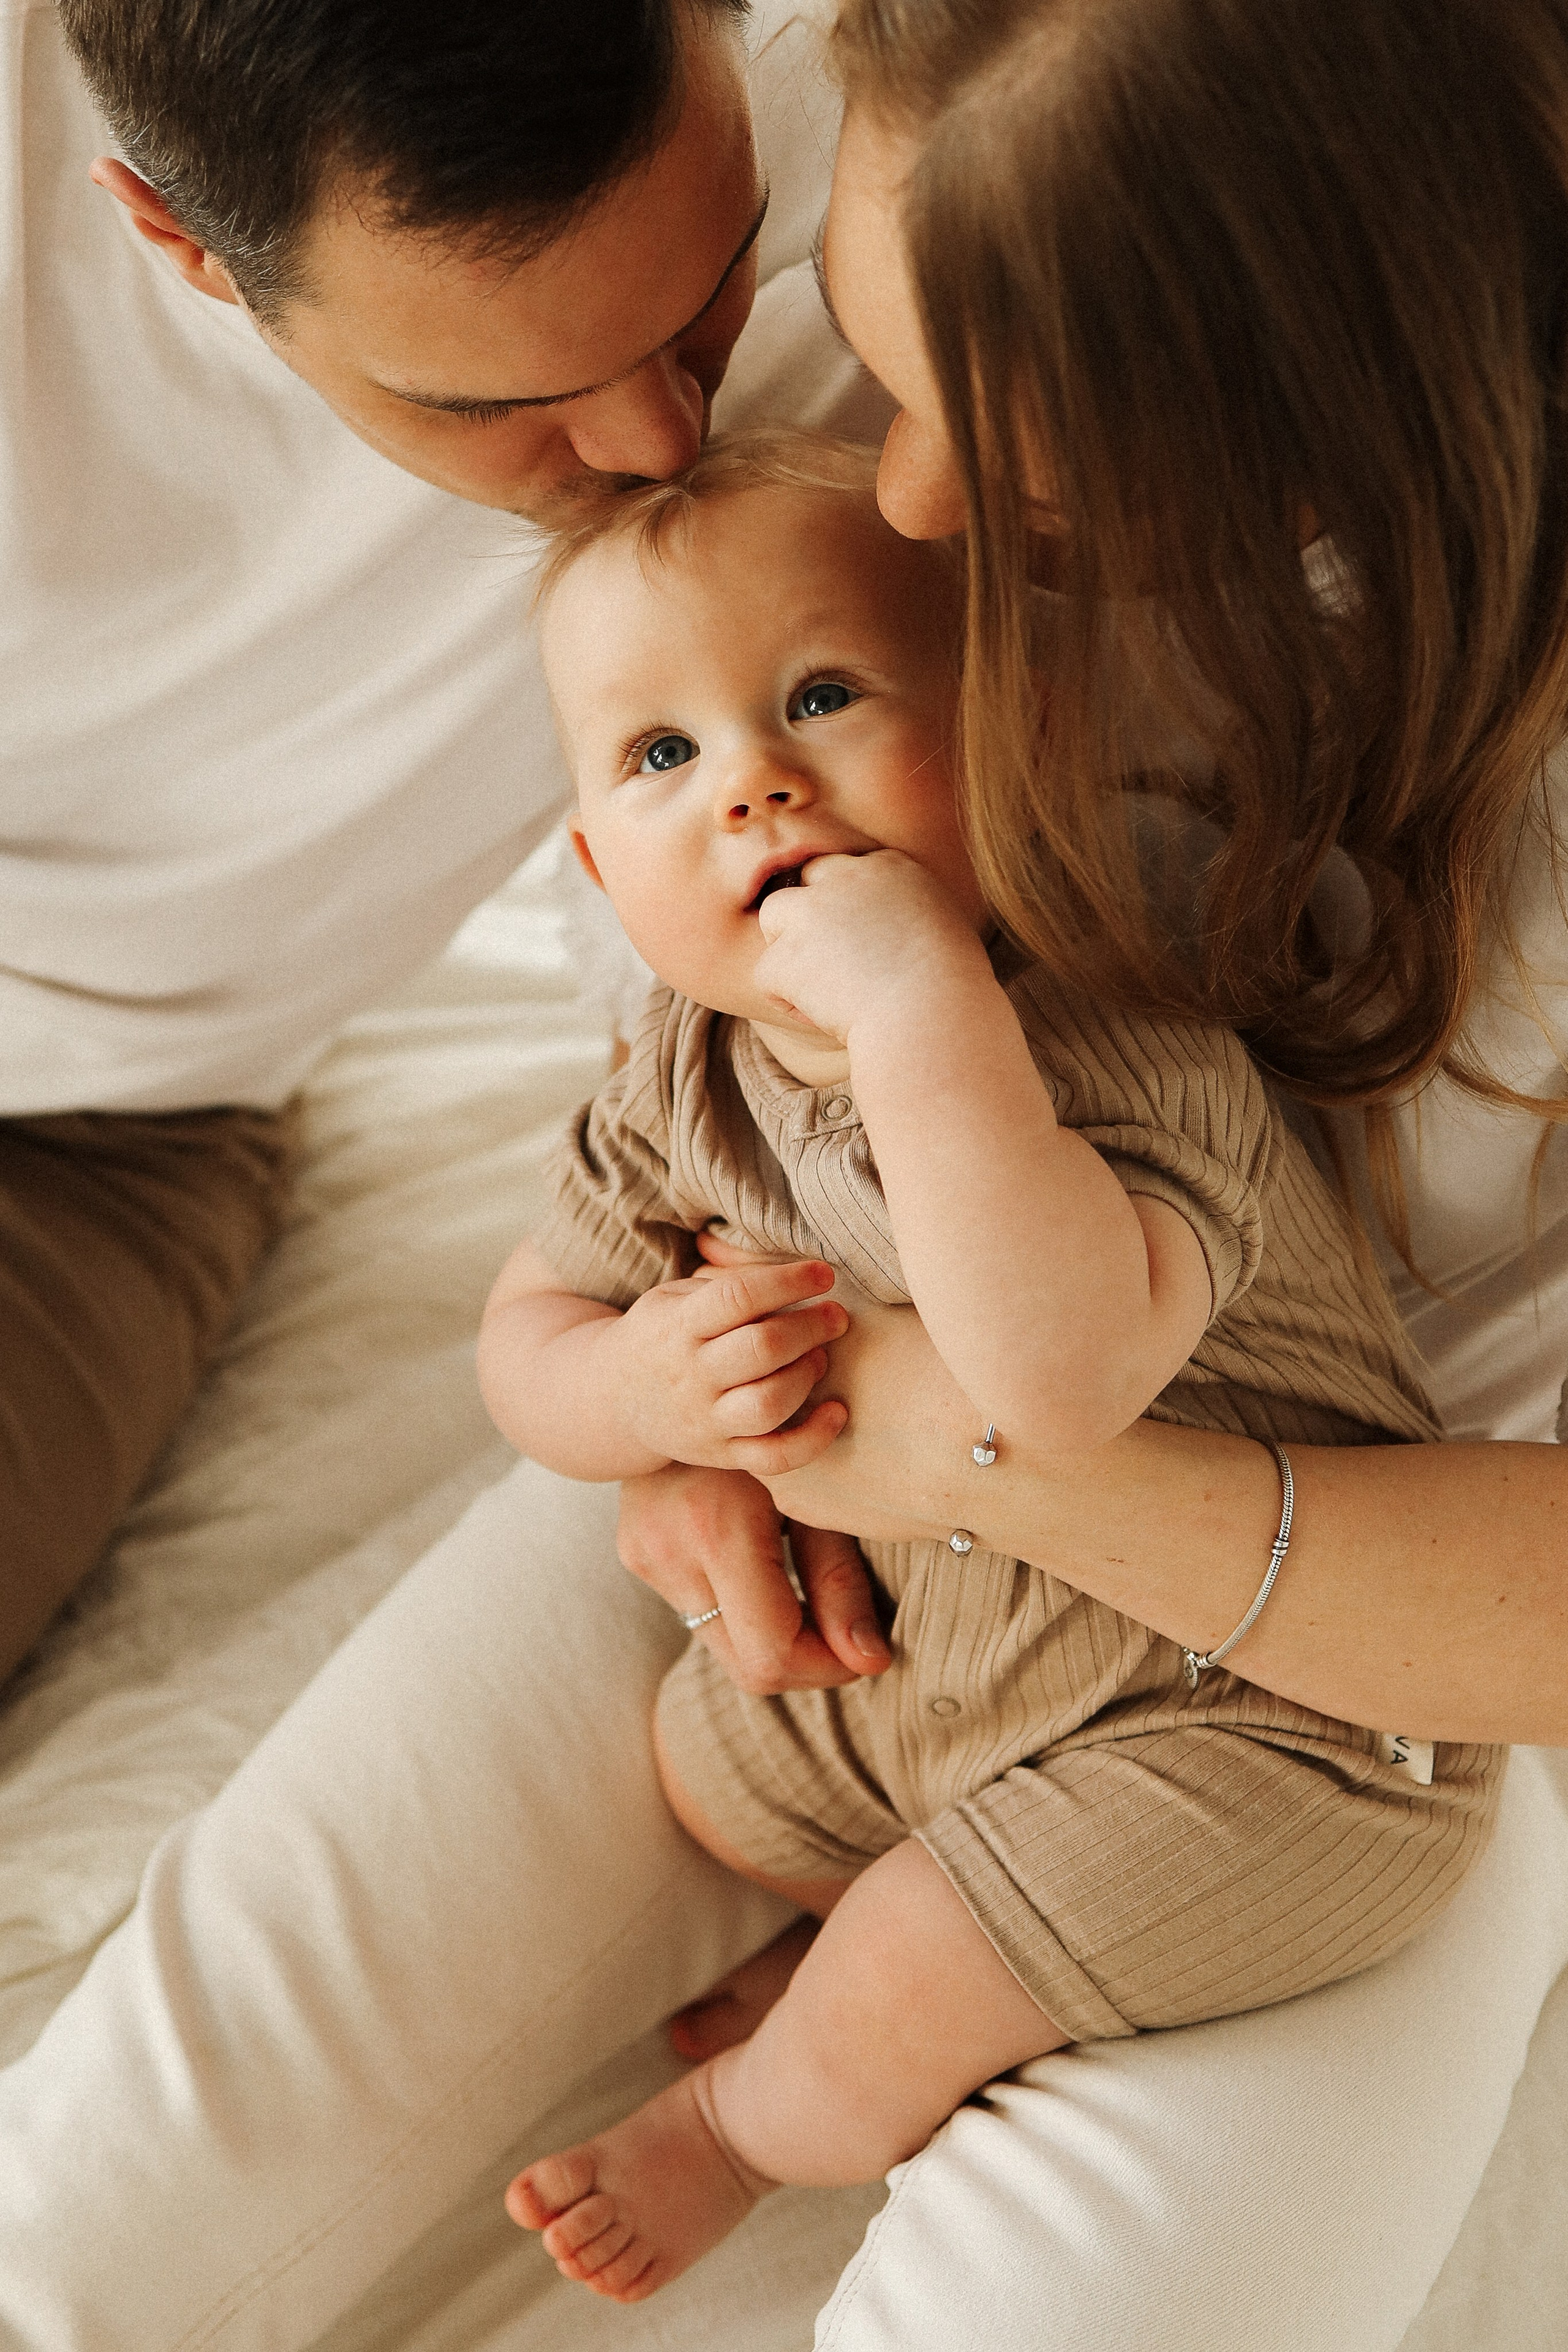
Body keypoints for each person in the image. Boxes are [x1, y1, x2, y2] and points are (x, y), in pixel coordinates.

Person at [0, 3, 1564, 2349]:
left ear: (1302, 391)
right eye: (866, 345)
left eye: (977, 433)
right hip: (818, 1473)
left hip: (1356, 1693)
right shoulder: (893, 378)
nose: (888, 494)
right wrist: (660, 1424)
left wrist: (962, 1447)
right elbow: (663, 993)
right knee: (118, 2192)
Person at [480, 429, 1495, 2302]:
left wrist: (918, 999)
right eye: (660, 756)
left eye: (823, 698)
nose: (756, 787)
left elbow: (1058, 1385)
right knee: (711, 1774)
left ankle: (750, 2123)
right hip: (944, 1677)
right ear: (595, 862)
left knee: (918, 1956)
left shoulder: (1106, 1027)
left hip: (1262, 1719)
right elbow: (525, 1333)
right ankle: (912, 1946)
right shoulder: (679, 1080)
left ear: (1010, 739)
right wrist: (635, 1400)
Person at [0, 0, 871, 1684]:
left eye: (710, 299)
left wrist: (704, 1333)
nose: (662, 448)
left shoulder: (883, 136)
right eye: (509, 400)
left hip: (115, 1122)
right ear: (175, 237)